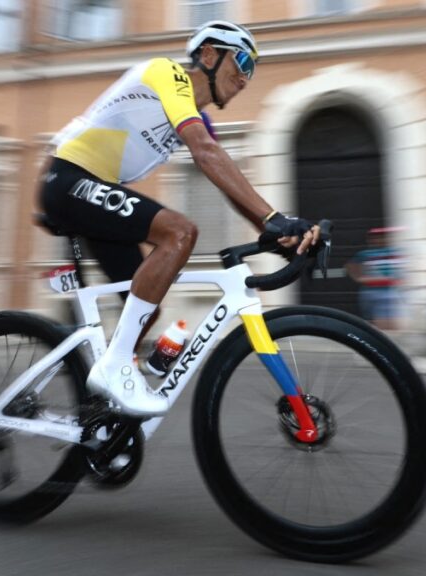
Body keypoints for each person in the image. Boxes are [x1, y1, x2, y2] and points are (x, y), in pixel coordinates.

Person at [39, 21, 321, 416]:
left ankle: (104, 408)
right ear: (208, 54)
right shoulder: (166, 73)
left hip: (93, 193)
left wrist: (273, 230)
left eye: (252, 70)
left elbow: (223, 177)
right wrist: (273, 217)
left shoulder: (196, 119)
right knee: (180, 232)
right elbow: (205, 153)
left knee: (146, 306)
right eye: (241, 61)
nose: (245, 77)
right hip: (68, 178)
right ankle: (116, 366)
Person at [345, 227, 405, 331]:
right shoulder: (365, 254)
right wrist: (360, 278)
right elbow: (350, 266)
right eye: (376, 238)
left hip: (392, 291)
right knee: (378, 322)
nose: (379, 240)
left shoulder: (395, 251)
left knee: (393, 321)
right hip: (372, 291)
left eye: (382, 237)